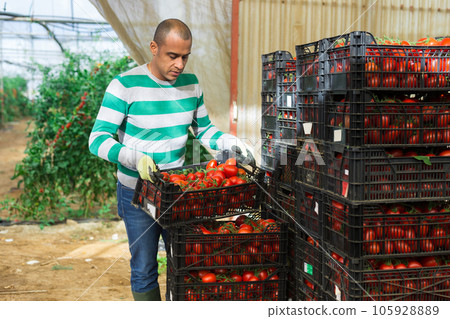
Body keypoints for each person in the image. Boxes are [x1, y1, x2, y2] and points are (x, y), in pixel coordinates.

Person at [88, 18, 253, 301]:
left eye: (185, 57)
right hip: (137, 192)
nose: (180, 64)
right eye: (172, 56)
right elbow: (97, 139)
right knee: (144, 267)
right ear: (154, 48)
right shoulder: (124, 85)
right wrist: (132, 156)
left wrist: (229, 142)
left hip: (178, 192)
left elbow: (205, 130)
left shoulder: (191, 85)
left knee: (188, 261)